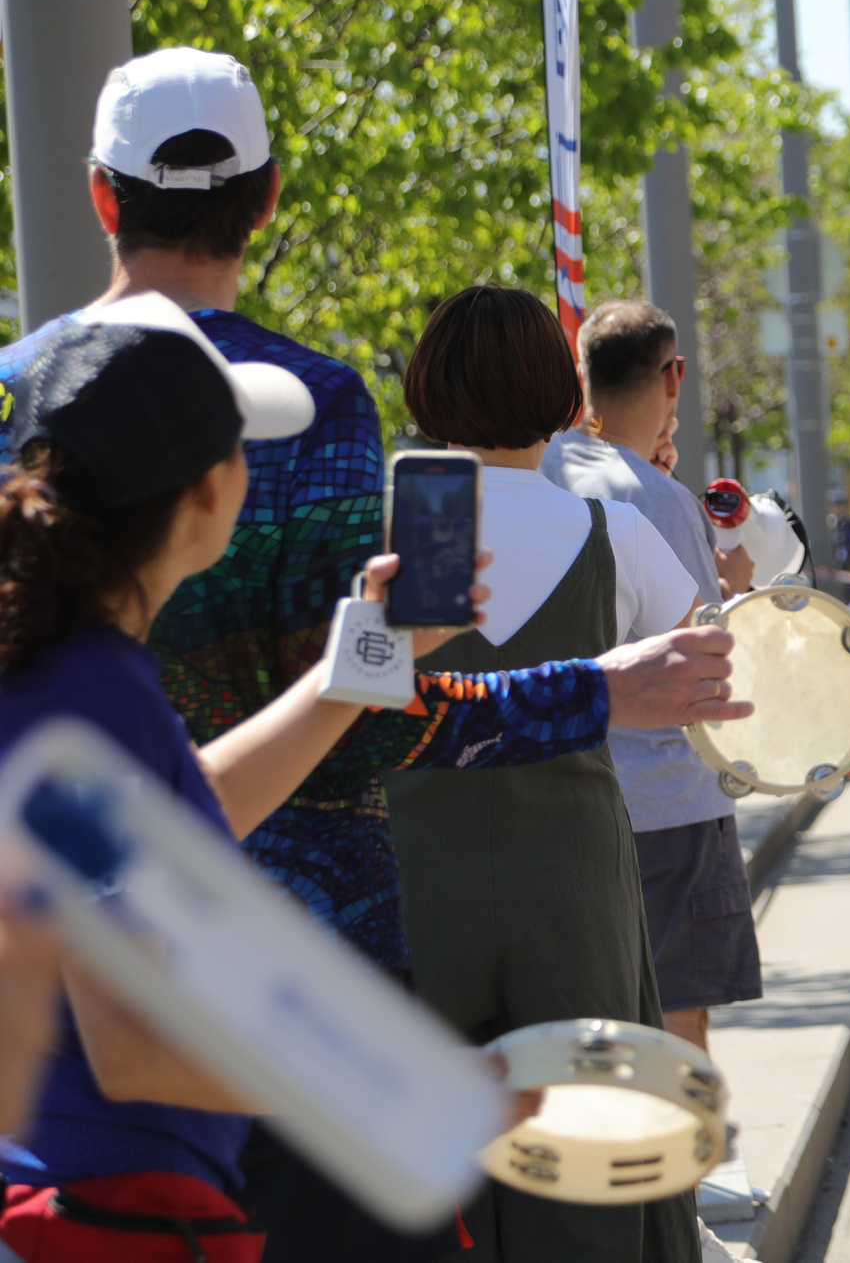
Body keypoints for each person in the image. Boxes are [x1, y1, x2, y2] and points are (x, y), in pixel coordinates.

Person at [0, 49, 744, 1261]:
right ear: (267, 197)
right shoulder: (311, 401)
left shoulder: (24, 431)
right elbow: (366, 733)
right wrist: (583, 694)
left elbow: (201, 797)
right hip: (279, 1010)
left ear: (99, 194)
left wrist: (364, 669)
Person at [0, 297, 503, 1257]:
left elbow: (187, 808)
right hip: (108, 1216)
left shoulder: (63, 666)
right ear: (208, 489)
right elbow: (129, 1049)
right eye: (241, 448)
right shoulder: (99, 689)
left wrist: (363, 660)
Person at [385, 288, 707, 1263]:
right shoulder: (616, 530)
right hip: (573, 876)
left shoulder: (393, 528)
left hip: (413, 869)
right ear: (566, 399)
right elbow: (702, 664)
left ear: (428, 387)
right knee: (582, 1153)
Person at [543, 301, 763, 1056]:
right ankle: (678, 1139)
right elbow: (702, 650)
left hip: (562, 788)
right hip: (668, 798)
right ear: (674, 375)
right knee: (677, 1016)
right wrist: (734, 585)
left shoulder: (543, 470)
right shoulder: (659, 500)